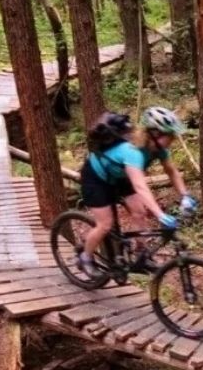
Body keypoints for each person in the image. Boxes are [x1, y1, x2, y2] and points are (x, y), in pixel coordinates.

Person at [77, 107, 196, 278]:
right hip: (97, 178)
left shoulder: (159, 149)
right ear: (155, 134)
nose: (172, 140)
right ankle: (85, 257)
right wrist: (160, 215)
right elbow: (140, 186)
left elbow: (172, 172)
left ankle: (142, 255)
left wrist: (185, 195)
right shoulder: (132, 152)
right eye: (169, 136)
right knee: (105, 225)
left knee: (140, 212)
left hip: (120, 177)